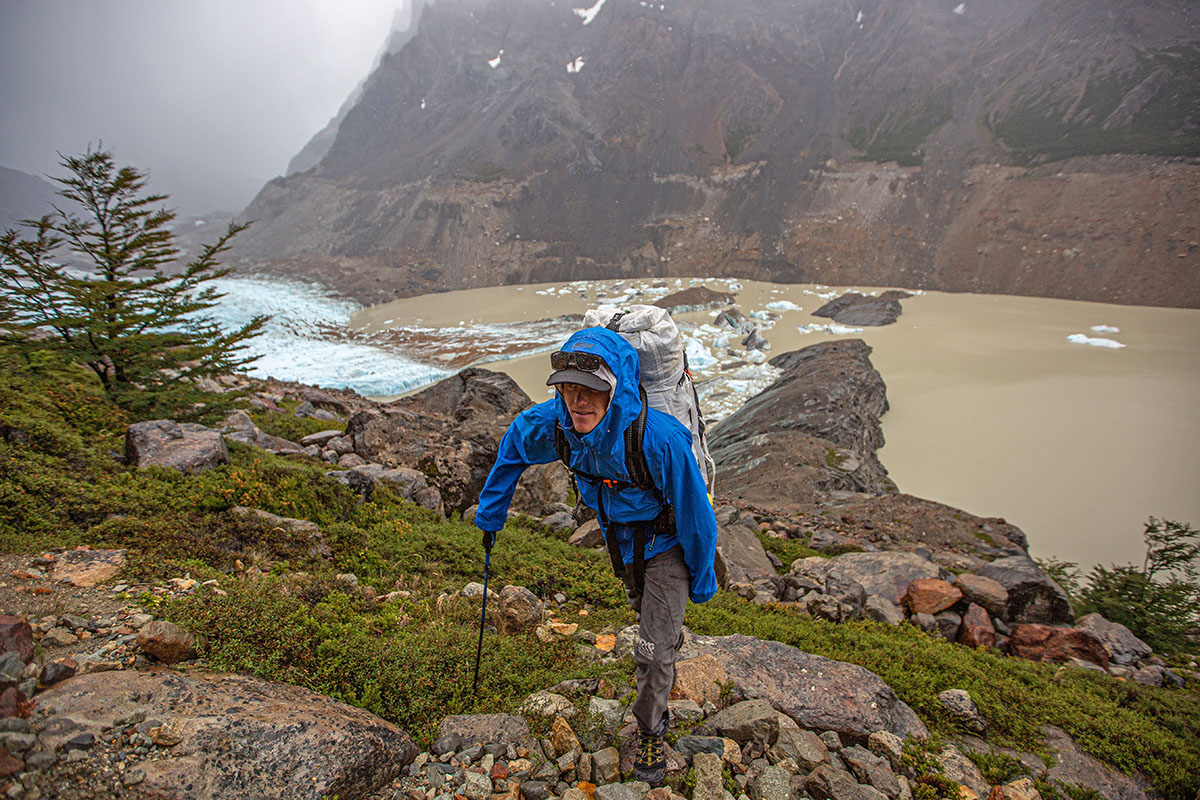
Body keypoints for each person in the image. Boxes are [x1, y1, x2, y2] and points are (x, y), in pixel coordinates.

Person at [474, 326, 719, 786]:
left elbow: (697, 518)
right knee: (644, 616)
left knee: (650, 651)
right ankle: (665, 638)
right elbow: (513, 449)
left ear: (615, 390)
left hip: (666, 546)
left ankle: (651, 731)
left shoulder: (659, 440)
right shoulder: (555, 426)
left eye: (591, 391)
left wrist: (702, 577)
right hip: (620, 546)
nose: (577, 401)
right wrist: (491, 514)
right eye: (568, 389)